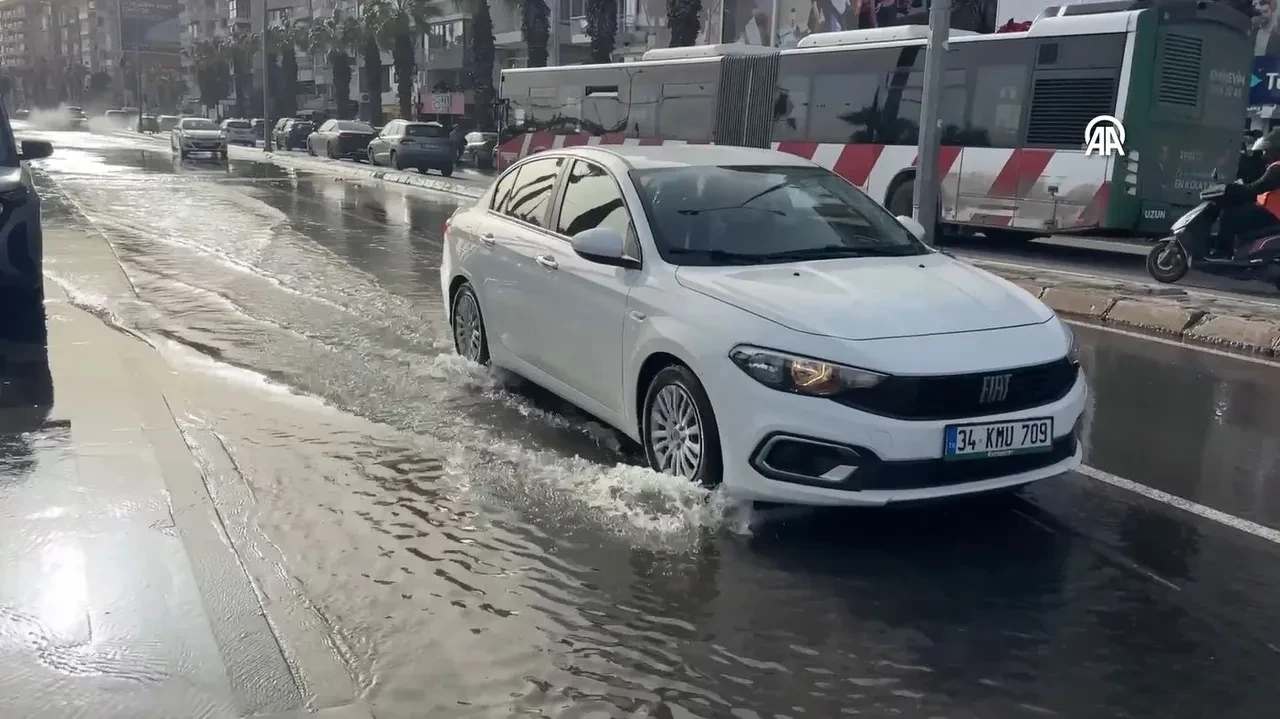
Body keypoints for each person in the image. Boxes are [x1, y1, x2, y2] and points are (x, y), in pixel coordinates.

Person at [1216, 130, 1280, 258]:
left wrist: (1232, 188)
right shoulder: (1274, 167)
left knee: (1229, 216)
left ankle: (1223, 253)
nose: (1265, 154)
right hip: (1270, 210)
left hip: (1273, 213)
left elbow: (1257, 187)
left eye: (1268, 150)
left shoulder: (1277, 169)